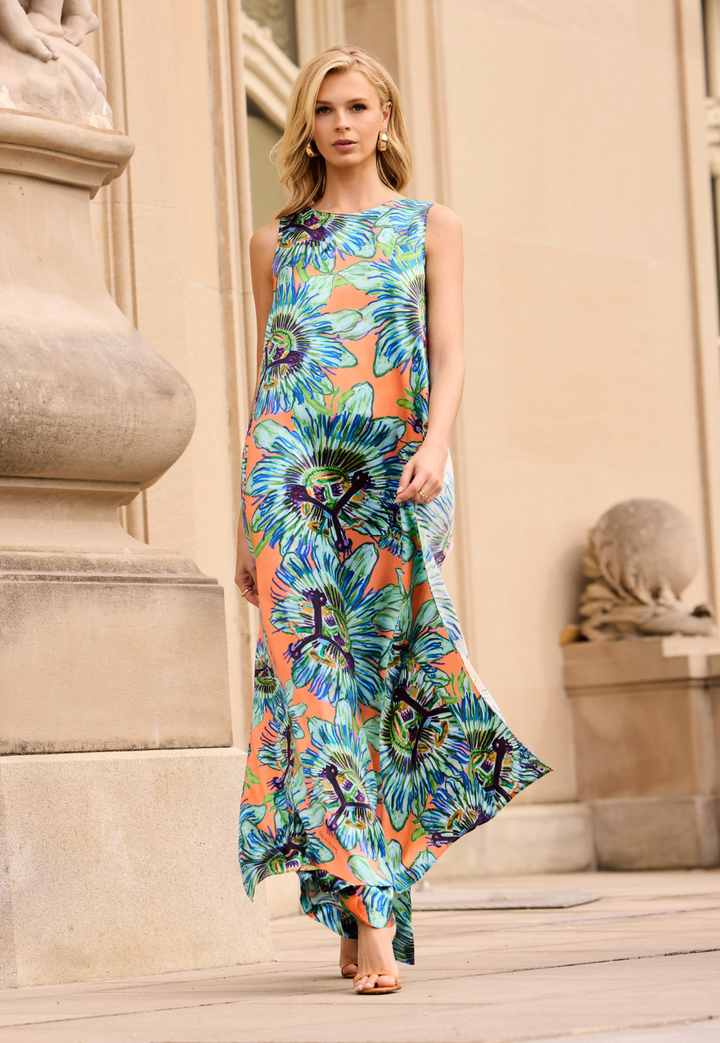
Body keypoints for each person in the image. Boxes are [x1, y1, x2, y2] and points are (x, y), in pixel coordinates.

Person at [236, 45, 549, 996]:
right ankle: (372, 915)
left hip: (393, 479)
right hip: (289, 481)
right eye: (324, 107)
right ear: (307, 121)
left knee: (381, 685)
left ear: (385, 118)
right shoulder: (274, 241)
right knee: (312, 689)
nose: (340, 122)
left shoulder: (429, 226)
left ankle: (349, 895)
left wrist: (438, 444)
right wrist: (238, 513)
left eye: (357, 105)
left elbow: (450, 354)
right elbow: (272, 375)